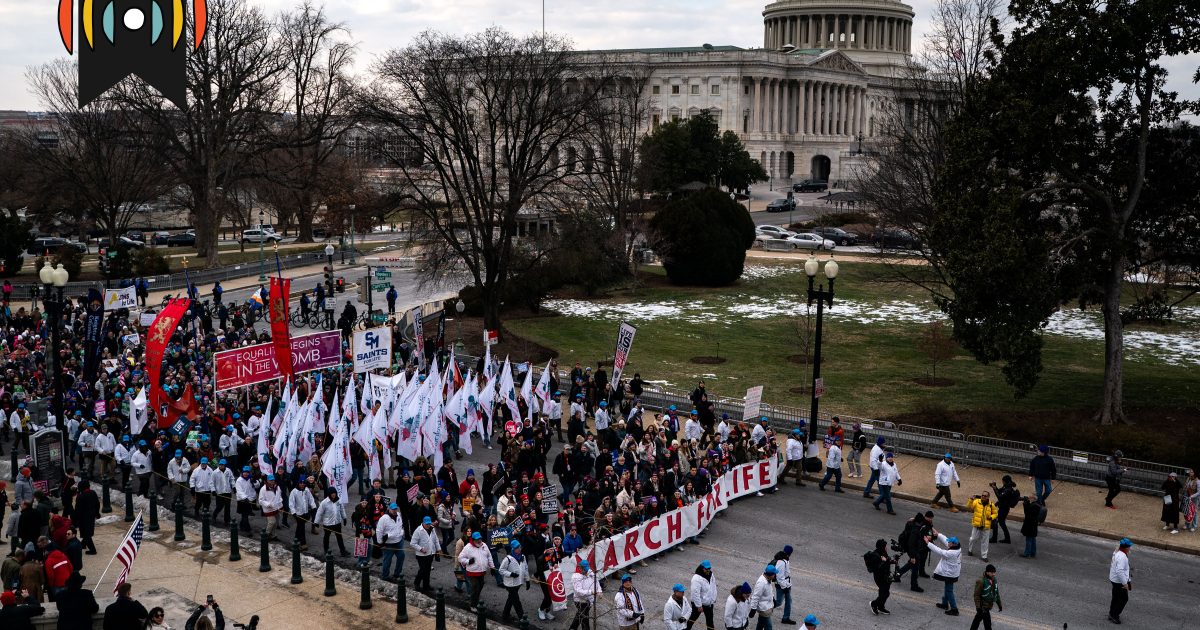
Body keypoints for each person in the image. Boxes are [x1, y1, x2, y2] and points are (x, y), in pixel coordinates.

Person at [926, 532, 962, 616]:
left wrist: (928, 543)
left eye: (949, 542)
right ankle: (945, 603)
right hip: (953, 573)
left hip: (950, 574)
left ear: (952, 544)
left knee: (949, 590)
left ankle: (954, 609)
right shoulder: (957, 548)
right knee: (947, 588)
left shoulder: (951, 553)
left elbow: (939, 551)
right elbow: (946, 540)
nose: (948, 543)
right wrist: (938, 534)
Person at [458, 531, 494, 609]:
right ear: (473, 539)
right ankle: (473, 605)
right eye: (477, 539)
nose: (479, 540)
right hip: (472, 572)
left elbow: (489, 556)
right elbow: (460, 558)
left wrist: (492, 567)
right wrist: (468, 561)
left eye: (480, 538)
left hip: (482, 572)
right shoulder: (468, 547)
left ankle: (475, 600)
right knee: (475, 588)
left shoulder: (484, 545)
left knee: (480, 586)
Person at [498, 540, 529, 622]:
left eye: (520, 547)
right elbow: (501, 570)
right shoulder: (507, 559)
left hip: (518, 583)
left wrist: (528, 580)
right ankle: (522, 618)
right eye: (517, 548)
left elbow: (525, 568)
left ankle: (505, 615)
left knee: (510, 599)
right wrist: (510, 574)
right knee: (516, 601)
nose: (519, 549)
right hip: (510, 584)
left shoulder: (523, 556)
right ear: (513, 549)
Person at [314, 488, 349, 556]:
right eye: (332, 494)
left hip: (337, 523)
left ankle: (343, 551)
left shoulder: (338, 501)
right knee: (326, 537)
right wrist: (316, 522)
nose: (333, 495)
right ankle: (326, 550)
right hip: (328, 524)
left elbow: (342, 509)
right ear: (329, 494)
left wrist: (344, 518)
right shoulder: (324, 502)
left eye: (334, 493)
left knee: (339, 537)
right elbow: (319, 512)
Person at [376, 503, 405, 582]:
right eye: (393, 509)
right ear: (389, 509)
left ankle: (397, 574)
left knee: (401, 556)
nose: (394, 510)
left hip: (399, 541)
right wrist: (381, 543)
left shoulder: (399, 515)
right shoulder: (384, 518)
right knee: (387, 560)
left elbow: (401, 526)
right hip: (388, 544)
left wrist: (401, 532)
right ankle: (385, 576)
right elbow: (379, 531)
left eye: (396, 509)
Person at [965, 492, 998, 561]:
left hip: (986, 527)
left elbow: (995, 513)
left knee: (985, 542)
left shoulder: (991, 505)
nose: (983, 497)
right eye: (982, 495)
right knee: (973, 538)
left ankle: (984, 556)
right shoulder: (976, 502)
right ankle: (970, 550)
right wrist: (971, 500)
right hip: (976, 525)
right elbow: (968, 506)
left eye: (985, 496)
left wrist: (991, 517)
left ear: (988, 497)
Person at [569, 559, 600, 630]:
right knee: (582, 617)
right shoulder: (576, 577)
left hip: (589, 601)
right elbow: (578, 591)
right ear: (580, 568)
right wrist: (591, 592)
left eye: (587, 569)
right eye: (584, 570)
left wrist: (599, 591)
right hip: (580, 601)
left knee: (583, 618)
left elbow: (596, 581)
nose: (586, 571)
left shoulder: (590, 572)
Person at [969, 564, 1002, 630]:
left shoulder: (993, 580)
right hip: (983, 607)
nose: (994, 574)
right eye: (992, 572)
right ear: (987, 572)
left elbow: (996, 592)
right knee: (988, 625)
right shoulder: (981, 581)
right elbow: (976, 595)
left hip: (988, 605)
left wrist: (999, 604)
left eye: (994, 572)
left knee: (977, 620)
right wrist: (978, 608)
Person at [686, 559, 717, 630]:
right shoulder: (696, 578)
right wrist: (699, 606)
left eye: (709, 568)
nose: (708, 570)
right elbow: (695, 593)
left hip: (709, 603)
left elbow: (713, 586)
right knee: (692, 619)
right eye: (706, 569)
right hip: (698, 604)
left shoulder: (711, 574)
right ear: (702, 568)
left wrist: (713, 598)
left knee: (710, 622)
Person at [1108, 538, 1133, 625]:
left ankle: (1111, 613)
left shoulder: (1117, 552)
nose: (1130, 548)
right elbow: (1119, 571)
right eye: (1129, 547)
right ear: (1126, 547)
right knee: (1123, 599)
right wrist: (1125, 583)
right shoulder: (1122, 557)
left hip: (1113, 579)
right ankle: (1115, 616)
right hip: (1119, 582)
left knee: (1115, 597)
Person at [866, 539, 894, 616]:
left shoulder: (883, 553)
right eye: (885, 546)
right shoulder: (875, 555)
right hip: (880, 578)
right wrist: (883, 561)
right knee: (884, 593)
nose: (886, 548)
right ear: (881, 547)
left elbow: (886, 561)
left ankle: (881, 607)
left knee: (885, 593)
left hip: (886, 576)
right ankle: (874, 604)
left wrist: (891, 561)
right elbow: (877, 568)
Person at [988, 476, 1019, 544]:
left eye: (1002, 481)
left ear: (1005, 481)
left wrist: (994, 488)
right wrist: (995, 486)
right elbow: (999, 491)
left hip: (1004, 509)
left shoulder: (1008, 489)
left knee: (995, 522)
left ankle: (994, 538)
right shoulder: (1006, 487)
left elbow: (1000, 496)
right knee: (1002, 523)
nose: (1002, 482)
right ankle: (1007, 539)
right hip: (1002, 507)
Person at [410, 516, 437, 592]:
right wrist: (421, 549)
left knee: (428, 570)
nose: (428, 525)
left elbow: (435, 539)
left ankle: (426, 585)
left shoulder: (432, 529)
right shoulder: (418, 530)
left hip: (430, 554)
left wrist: (438, 549)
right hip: (421, 555)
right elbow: (412, 543)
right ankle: (416, 583)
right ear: (423, 523)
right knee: (423, 570)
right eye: (426, 524)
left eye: (429, 523)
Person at [770, 547, 795, 626]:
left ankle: (785, 618)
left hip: (786, 584)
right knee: (779, 602)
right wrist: (785, 588)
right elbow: (779, 577)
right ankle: (765, 608)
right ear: (790, 553)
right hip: (782, 585)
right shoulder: (781, 562)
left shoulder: (785, 559)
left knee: (788, 601)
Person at [749, 564, 777, 630]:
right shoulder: (761, 583)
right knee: (769, 627)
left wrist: (773, 599)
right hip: (764, 609)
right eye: (774, 574)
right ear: (770, 575)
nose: (775, 576)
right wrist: (753, 609)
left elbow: (770, 591)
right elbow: (756, 596)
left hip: (767, 606)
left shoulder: (768, 580)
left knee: (760, 624)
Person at [1183, 469, 1199, 533]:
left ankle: (1194, 526)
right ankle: (1187, 524)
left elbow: (1199, 492)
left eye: (1191, 472)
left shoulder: (1198, 481)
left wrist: (1191, 496)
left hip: (1194, 498)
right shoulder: (1188, 479)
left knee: (1194, 511)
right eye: (1189, 472)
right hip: (1188, 496)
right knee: (1187, 510)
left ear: (1195, 473)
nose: (1190, 473)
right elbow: (1186, 487)